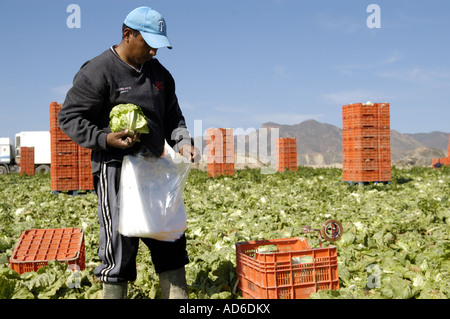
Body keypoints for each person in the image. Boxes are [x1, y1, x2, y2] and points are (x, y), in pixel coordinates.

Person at [58, 6, 199, 299]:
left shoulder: (161, 75)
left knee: (170, 240)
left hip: (156, 169)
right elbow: (69, 118)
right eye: (148, 45)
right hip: (116, 170)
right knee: (119, 247)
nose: (153, 53)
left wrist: (183, 141)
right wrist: (104, 138)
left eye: (157, 47)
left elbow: (174, 117)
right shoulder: (99, 71)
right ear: (127, 35)